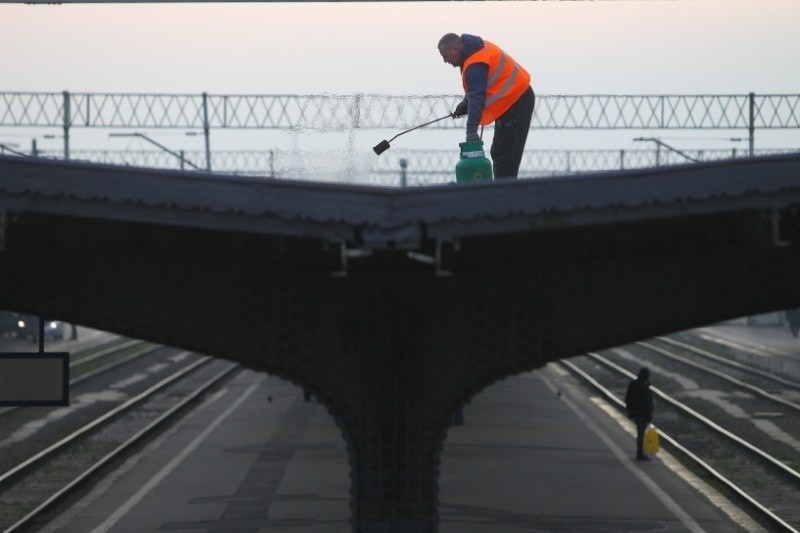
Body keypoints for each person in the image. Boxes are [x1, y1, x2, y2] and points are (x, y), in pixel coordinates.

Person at [438, 33, 535, 180]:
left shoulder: (475, 64)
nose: (445, 61)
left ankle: (505, 197)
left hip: (516, 100)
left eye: (445, 56)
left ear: (455, 50)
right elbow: (478, 87)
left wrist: (471, 132)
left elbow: (477, 98)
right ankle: (503, 193)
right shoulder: (475, 50)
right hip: (513, 99)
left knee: (505, 156)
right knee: (499, 152)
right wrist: (466, 102)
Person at [625, 367, 654, 461]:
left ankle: (640, 453)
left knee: (640, 432)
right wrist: (649, 415)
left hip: (635, 412)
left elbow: (628, 398)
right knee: (641, 433)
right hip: (642, 414)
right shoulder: (644, 387)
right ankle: (640, 454)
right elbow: (646, 402)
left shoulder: (633, 384)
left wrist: (630, 410)